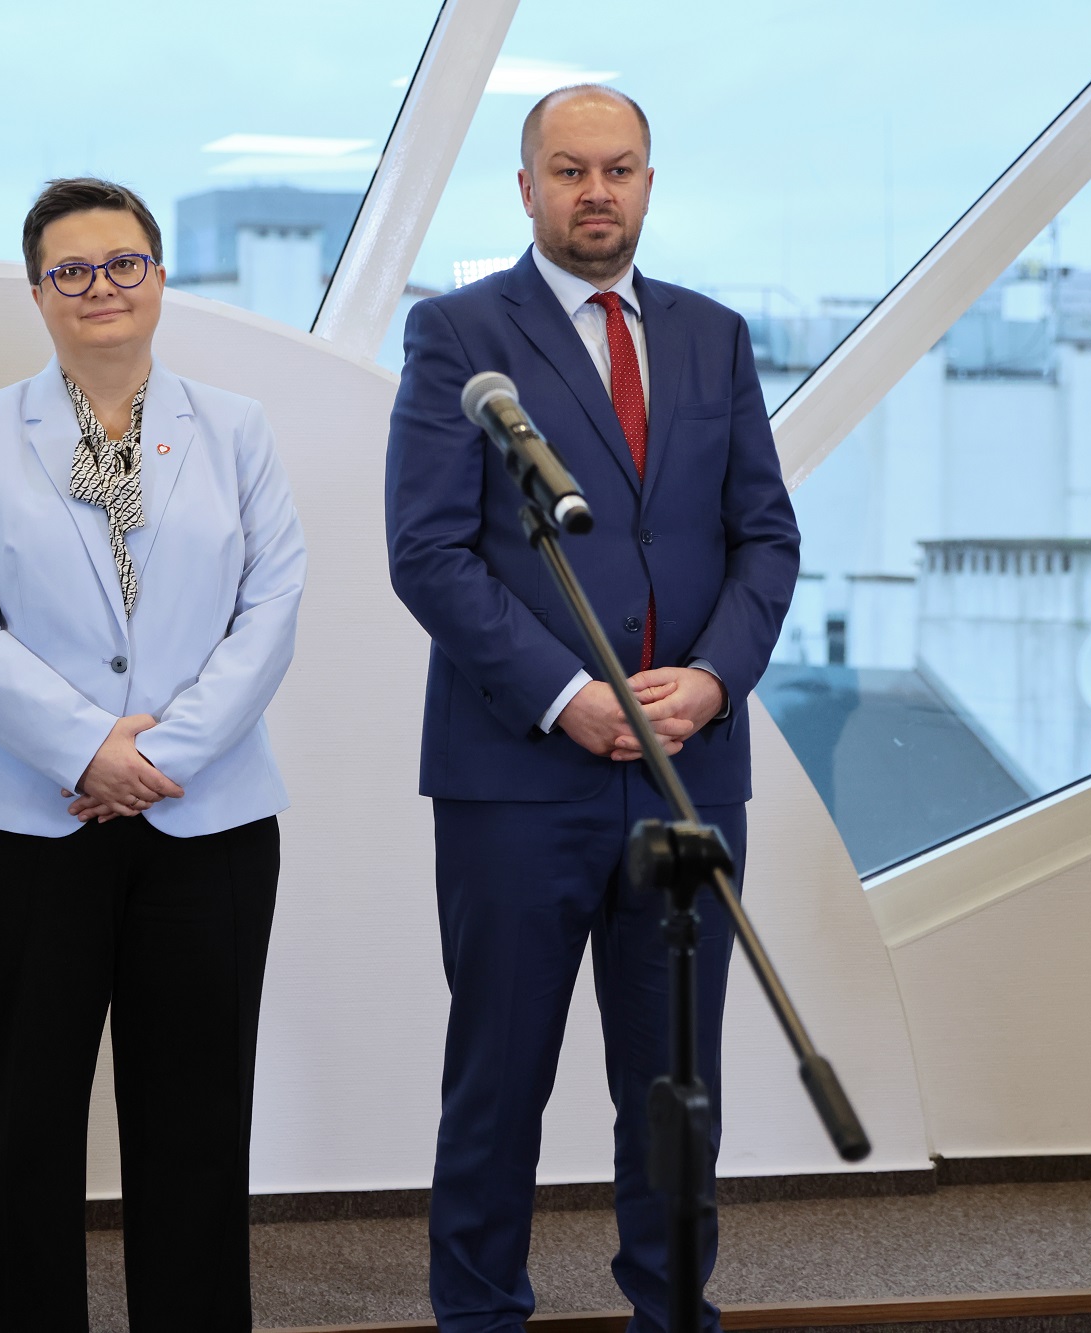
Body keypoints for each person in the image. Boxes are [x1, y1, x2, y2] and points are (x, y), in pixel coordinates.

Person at [384, 86, 801, 1333]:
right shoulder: (458, 333)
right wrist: (567, 695)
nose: (595, 191)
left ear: (647, 183)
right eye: (567, 169)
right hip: (518, 776)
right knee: (498, 1078)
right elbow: (427, 551)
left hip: (687, 769)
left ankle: (672, 1312)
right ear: (526, 188)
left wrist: (711, 679)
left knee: (676, 1084)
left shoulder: (712, 336)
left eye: (617, 168)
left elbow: (764, 537)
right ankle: (477, 1316)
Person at [0, 177, 307, 1331]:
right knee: (17, 1125)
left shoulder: (233, 427)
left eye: (123, 263)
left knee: (195, 1125)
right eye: (71, 270)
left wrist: (155, 756)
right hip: (18, 821)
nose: (101, 287)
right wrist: (85, 747)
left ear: (159, 276)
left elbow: (271, 607)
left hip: (206, 818)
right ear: (37, 291)